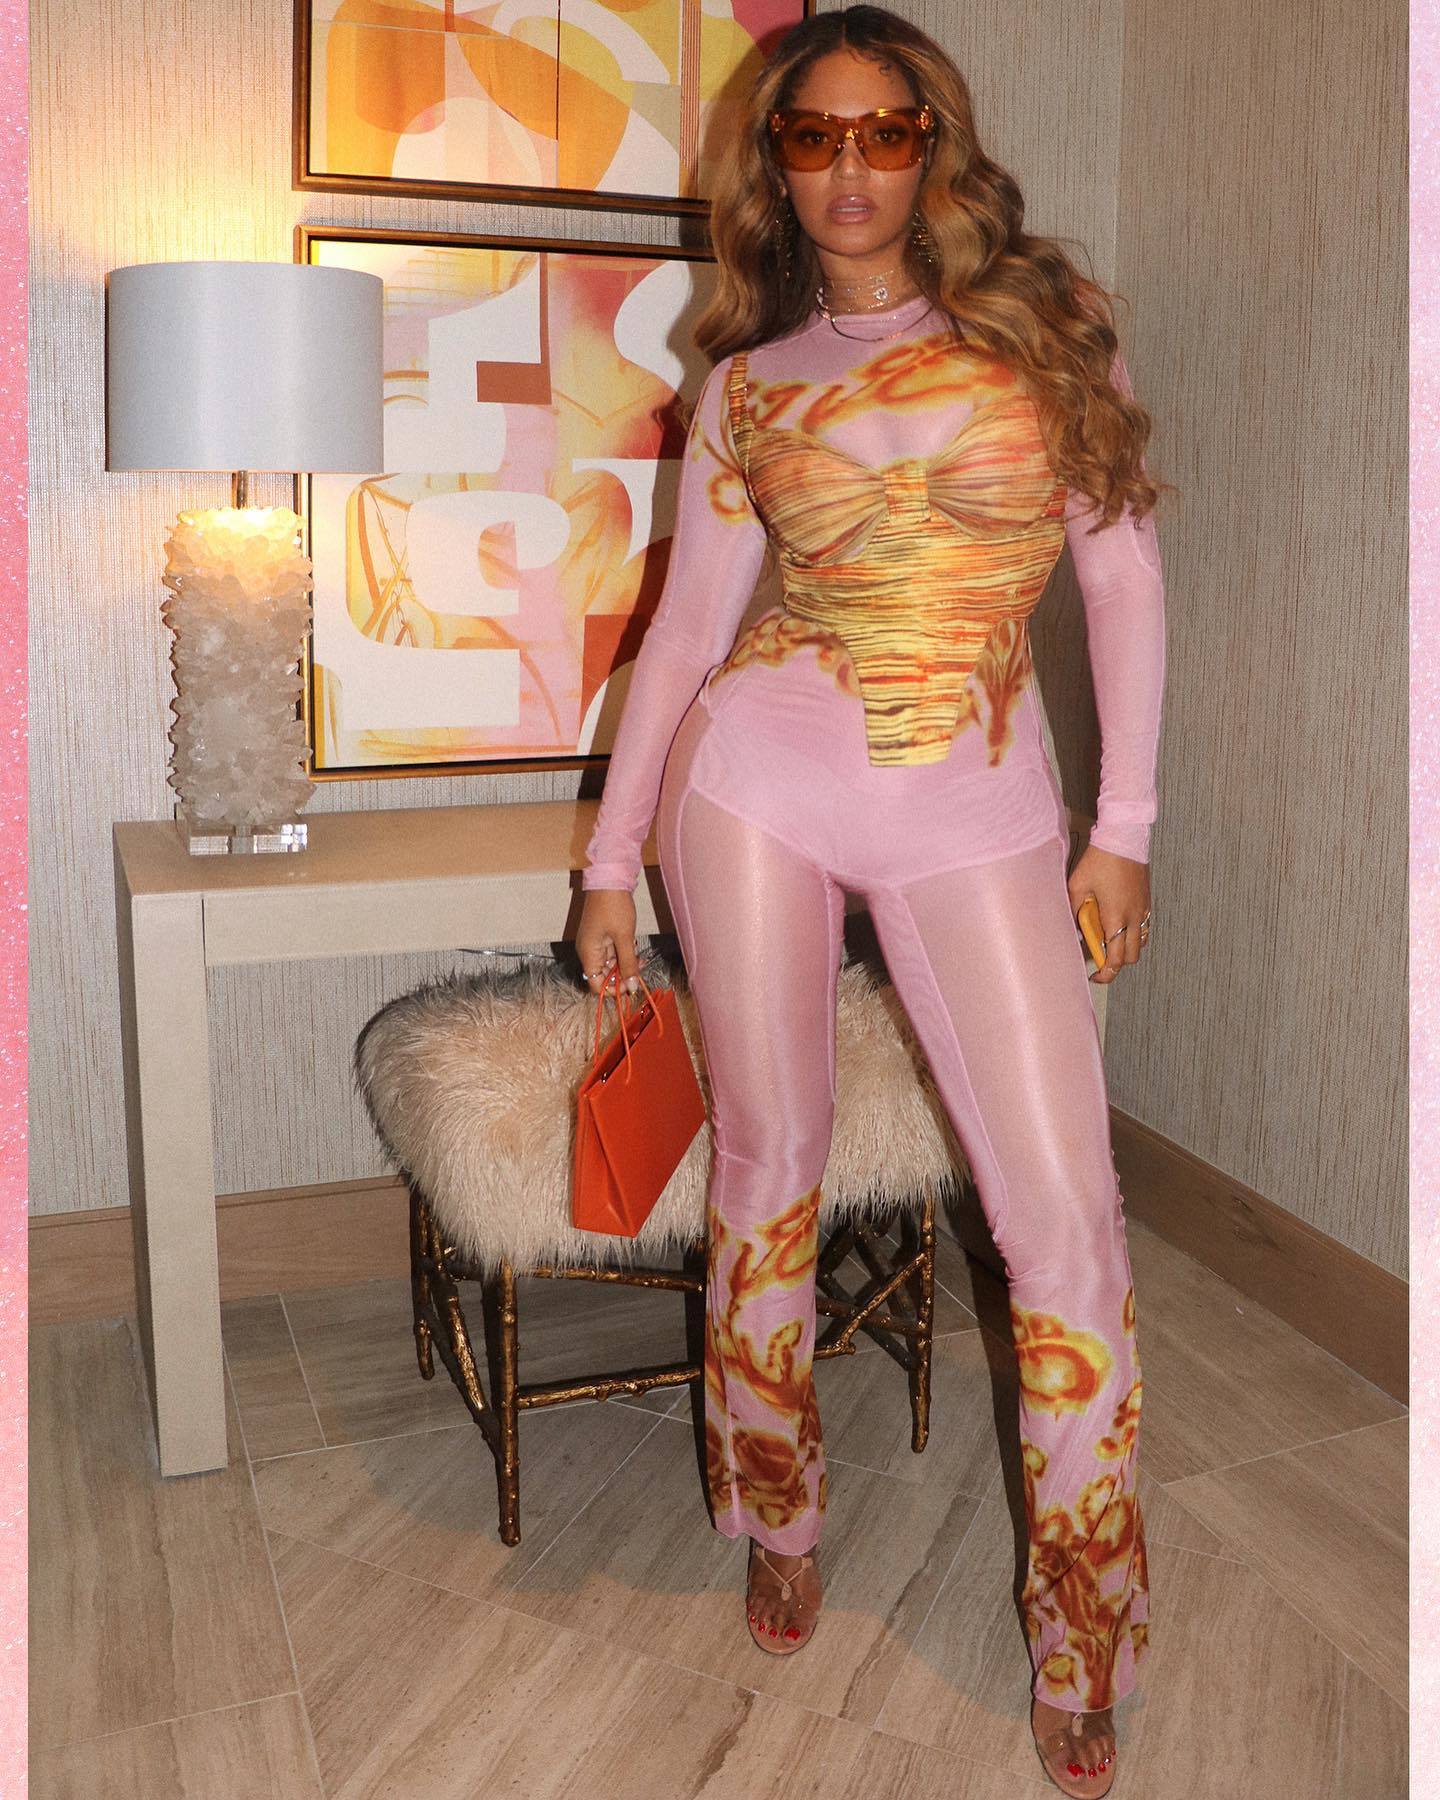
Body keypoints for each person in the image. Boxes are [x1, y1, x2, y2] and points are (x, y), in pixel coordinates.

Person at [575, 8, 1167, 1795]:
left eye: (884, 131)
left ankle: (1082, 1626)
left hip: (979, 807)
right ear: (777, 163)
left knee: (1065, 1219)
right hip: (754, 785)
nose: (849, 167)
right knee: (771, 1161)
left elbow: (1122, 587)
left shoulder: (1049, 335)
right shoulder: (747, 385)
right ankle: (778, 1507)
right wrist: (608, 860)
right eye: (812, 135)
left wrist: (1124, 826)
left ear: (935, 148)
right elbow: (689, 628)